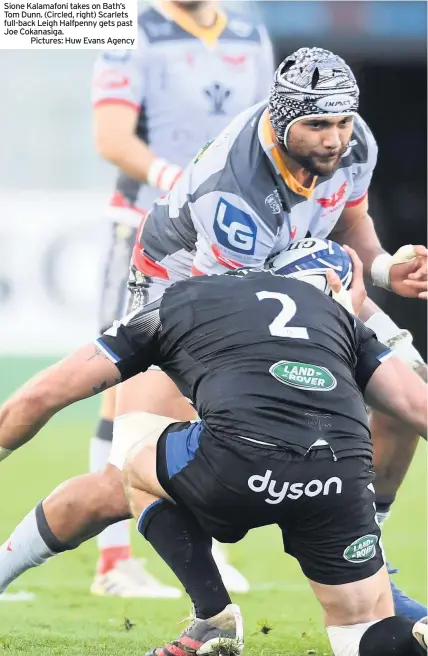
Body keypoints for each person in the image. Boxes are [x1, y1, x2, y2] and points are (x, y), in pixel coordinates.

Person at [110, 45, 426, 618]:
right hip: (183, 293)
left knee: (408, 391)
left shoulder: (353, 142)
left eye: (342, 121)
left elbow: (350, 217)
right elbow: (251, 314)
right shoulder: (237, 191)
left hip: (285, 272)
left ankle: (367, 559)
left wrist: (381, 269)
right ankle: (196, 603)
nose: (335, 139)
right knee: (131, 464)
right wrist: (345, 323)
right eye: (317, 125)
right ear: (281, 121)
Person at [0, 253, 426, 656]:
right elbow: (415, 404)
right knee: (359, 632)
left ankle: (213, 617)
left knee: (133, 463)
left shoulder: (177, 300)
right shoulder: (339, 317)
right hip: (339, 475)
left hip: (240, 461)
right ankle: (413, 634)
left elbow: (45, 393)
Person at [91, 0, 274, 596]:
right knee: (120, 379)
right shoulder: (130, 26)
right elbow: (112, 137)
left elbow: (265, 133)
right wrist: (185, 182)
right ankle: (114, 561)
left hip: (226, 237)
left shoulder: (249, 30)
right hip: (146, 227)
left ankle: (206, 548)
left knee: (212, 379)